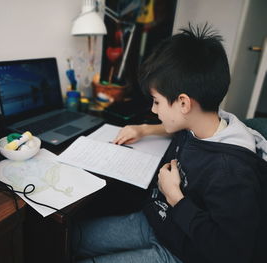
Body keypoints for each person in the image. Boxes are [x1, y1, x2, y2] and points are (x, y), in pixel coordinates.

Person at [72, 24, 267, 263]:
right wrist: (144, 129)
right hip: (156, 221)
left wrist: (175, 197)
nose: (153, 110)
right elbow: (176, 125)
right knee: (71, 238)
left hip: (181, 252)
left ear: (183, 103)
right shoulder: (200, 121)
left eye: (156, 102)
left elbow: (232, 252)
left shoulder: (231, 172)